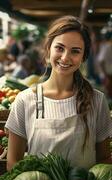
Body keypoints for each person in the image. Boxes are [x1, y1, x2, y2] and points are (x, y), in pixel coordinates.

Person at [5, 15, 112, 171]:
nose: (65, 57)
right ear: (48, 49)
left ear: (84, 57)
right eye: (59, 48)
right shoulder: (25, 100)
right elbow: (13, 162)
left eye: (75, 51)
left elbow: (104, 159)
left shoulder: (97, 100)